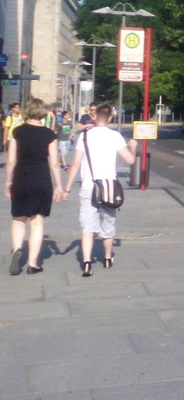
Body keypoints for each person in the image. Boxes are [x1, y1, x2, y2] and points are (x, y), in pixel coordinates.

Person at [63, 104, 135, 277]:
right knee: (108, 224)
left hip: (89, 187)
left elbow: (75, 165)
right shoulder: (115, 136)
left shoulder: (85, 136)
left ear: (95, 118)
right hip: (109, 187)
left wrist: (66, 189)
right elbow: (131, 160)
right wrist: (132, 146)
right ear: (110, 118)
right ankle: (108, 257)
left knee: (88, 227)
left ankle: (87, 263)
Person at [7, 99, 65, 275]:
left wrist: (8, 182)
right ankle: (33, 264)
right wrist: (59, 186)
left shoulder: (17, 132)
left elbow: (10, 160)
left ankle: (17, 249)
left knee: (19, 218)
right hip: (41, 178)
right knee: (37, 220)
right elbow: (54, 163)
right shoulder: (49, 134)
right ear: (44, 113)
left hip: (21, 177)